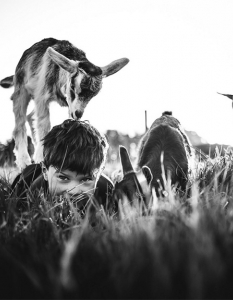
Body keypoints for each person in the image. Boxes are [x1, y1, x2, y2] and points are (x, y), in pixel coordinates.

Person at [11, 119, 114, 213]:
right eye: (63, 177)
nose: (74, 190)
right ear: (45, 171)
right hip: (31, 173)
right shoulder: (31, 192)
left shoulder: (107, 191)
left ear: (99, 174)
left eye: (85, 180)